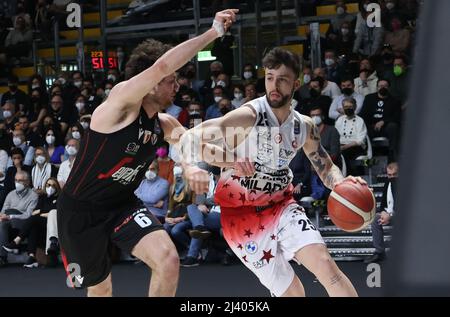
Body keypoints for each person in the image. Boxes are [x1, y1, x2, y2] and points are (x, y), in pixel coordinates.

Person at [56, 9, 238, 296]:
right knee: (101, 289)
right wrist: (213, 32)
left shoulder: (163, 123)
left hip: (122, 205)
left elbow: (196, 146)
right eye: (171, 80)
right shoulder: (120, 104)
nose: (177, 85)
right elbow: (162, 65)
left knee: (168, 260)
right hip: (80, 211)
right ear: (153, 82)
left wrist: (240, 163)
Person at [180, 47, 364, 297]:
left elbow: (325, 165)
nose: (274, 85)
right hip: (241, 218)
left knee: (326, 266)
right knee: (293, 293)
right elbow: (191, 136)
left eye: (282, 79)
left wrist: (342, 184)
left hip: (281, 206)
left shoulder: (303, 126)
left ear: (296, 84)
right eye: (269, 78)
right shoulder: (248, 116)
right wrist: (190, 167)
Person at [364, 162, 398, 263]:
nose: (392, 177)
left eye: (394, 174)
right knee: (375, 219)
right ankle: (379, 252)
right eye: (389, 175)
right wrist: (383, 212)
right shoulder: (387, 183)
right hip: (388, 213)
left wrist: (391, 215)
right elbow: (383, 202)